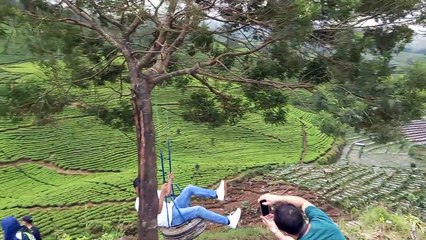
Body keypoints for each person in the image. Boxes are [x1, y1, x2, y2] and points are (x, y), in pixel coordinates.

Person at [133, 173, 241, 228]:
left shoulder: (151, 192)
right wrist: (161, 193)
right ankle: (229, 222)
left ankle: (217, 194)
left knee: (189, 188)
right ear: (136, 190)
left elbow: (168, 193)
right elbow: (158, 211)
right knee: (198, 210)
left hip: (173, 207)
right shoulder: (140, 204)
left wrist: (169, 181)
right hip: (172, 219)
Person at [258, 194, 346, 240]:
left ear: (287, 232)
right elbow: (303, 202)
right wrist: (277, 198)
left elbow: (284, 238)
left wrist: (274, 229)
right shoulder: (321, 220)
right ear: (302, 215)